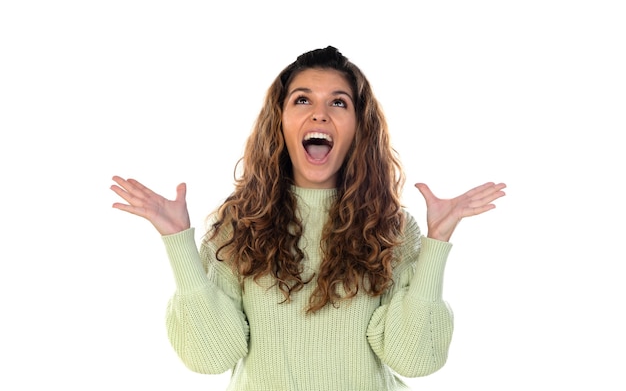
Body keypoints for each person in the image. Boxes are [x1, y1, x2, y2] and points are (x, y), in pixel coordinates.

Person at [111, 46, 506, 391]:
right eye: (302, 100)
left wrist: (437, 242)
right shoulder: (239, 223)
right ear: (279, 121)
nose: (319, 115)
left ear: (358, 126)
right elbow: (212, 356)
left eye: (338, 103)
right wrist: (178, 241)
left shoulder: (393, 228)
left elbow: (416, 360)